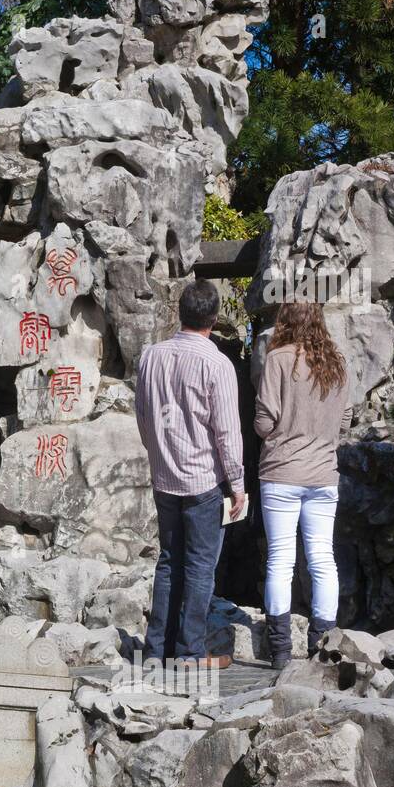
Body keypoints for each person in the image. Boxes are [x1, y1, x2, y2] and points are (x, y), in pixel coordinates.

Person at [134, 280, 245, 668]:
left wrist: (159, 455)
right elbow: (227, 431)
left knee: (168, 561)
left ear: (180, 312)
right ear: (214, 319)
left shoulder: (151, 356)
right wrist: (238, 484)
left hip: (164, 477)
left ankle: (155, 649)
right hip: (202, 481)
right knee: (199, 567)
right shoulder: (218, 364)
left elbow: (144, 417)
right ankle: (189, 652)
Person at [253, 300, 352, 669]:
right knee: (323, 560)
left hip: (281, 472)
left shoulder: (278, 359)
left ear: (285, 324)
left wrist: (278, 431)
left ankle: (279, 652)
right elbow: (344, 422)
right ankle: (322, 646)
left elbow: (264, 421)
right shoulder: (337, 363)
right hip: (324, 475)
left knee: (280, 560)